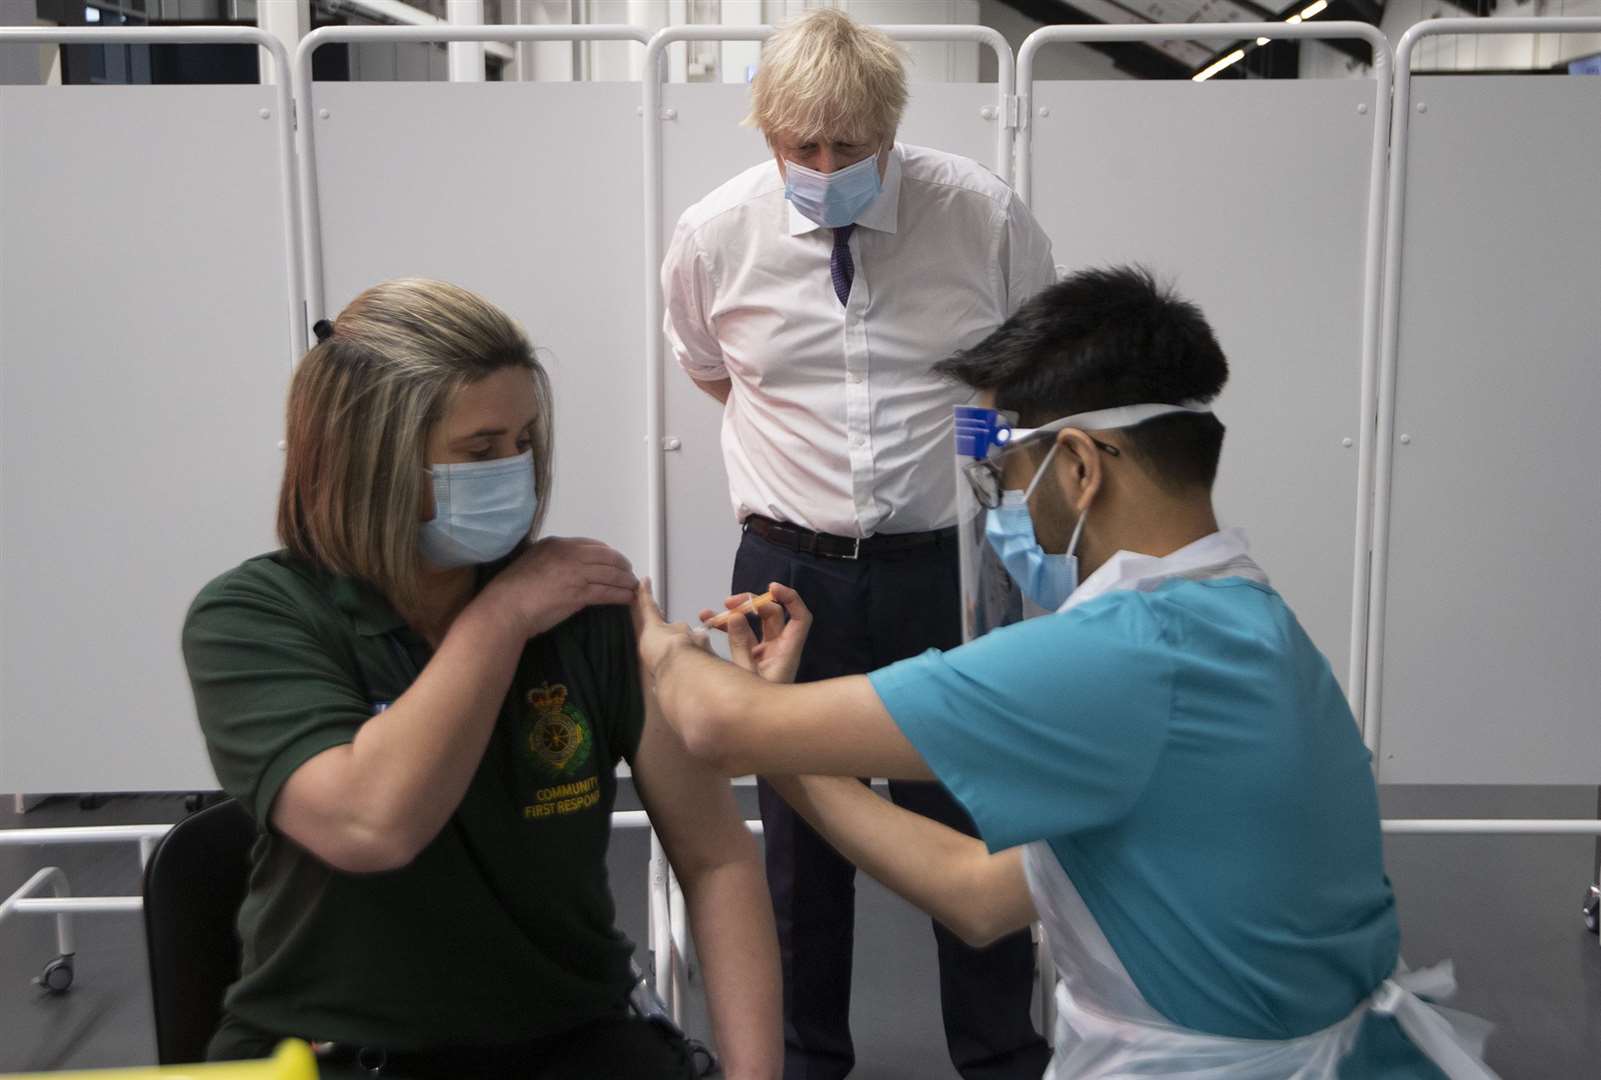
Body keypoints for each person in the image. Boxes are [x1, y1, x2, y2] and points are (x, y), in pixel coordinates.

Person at [635, 267, 1498, 1078]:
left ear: (1079, 466)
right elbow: (977, 894)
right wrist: (784, 745)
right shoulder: (1245, 617)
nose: (1000, 507)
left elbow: (716, 726)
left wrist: (650, 637)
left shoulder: (1119, 654)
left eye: (1003, 476)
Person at [181, 280, 780, 1080]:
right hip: (336, 1050)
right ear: (369, 459)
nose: (516, 470)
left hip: (568, 1036)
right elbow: (372, 825)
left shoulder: (587, 610)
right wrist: (502, 618)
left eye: (525, 440)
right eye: (480, 450)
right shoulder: (256, 617)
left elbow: (715, 859)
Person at [660, 10, 1054, 1078]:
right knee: (799, 846)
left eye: (850, 150)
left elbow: (1027, 381)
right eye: (801, 149)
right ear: (765, 133)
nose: (825, 170)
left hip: (944, 565)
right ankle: (802, 1061)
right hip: (787, 571)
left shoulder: (979, 216)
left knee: (974, 811)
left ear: (893, 131)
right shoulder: (713, 235)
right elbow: (712, 369)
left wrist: (981, 477)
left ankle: (1000, 1056)